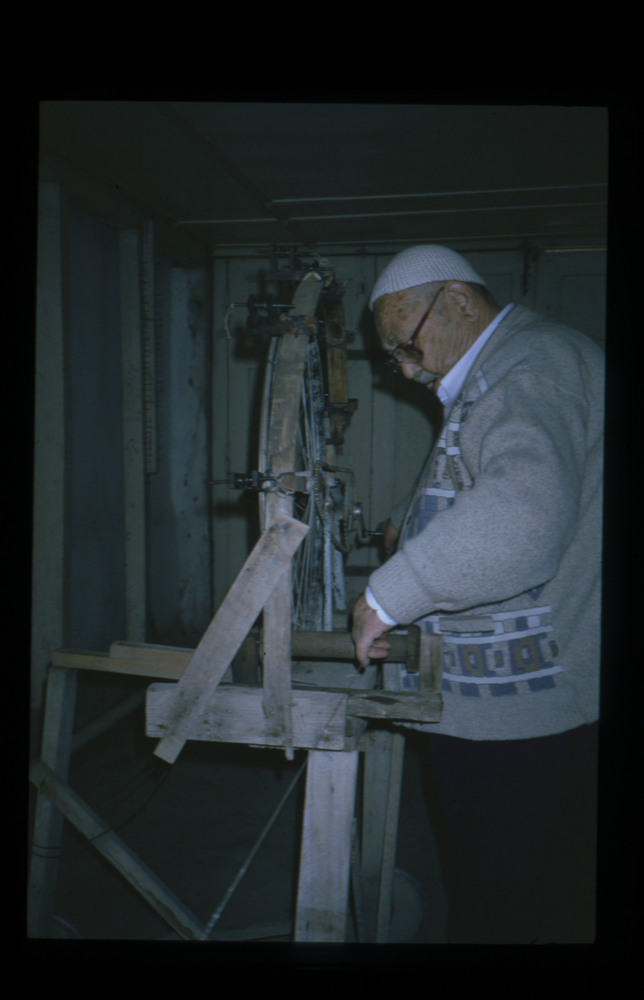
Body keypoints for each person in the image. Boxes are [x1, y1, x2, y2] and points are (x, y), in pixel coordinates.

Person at [351, 245, 602, 943]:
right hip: (503, 704)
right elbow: (481, 478)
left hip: (526, 720)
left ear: (459, 300)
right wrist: (412, 524)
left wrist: (388, 594)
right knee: (502, 887)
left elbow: (523, 516)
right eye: (393, 356)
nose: (405, 370)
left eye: (407, 344)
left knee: (511, 904)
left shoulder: (534, 366)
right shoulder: (498, 372)